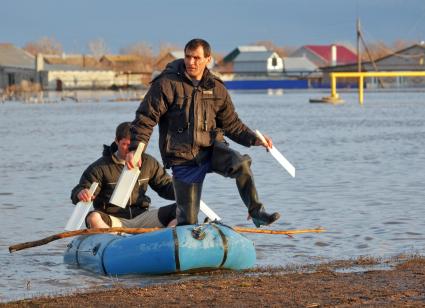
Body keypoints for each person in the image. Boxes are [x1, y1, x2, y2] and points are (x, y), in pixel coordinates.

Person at [126, 38, 280, 227]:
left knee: (241, 163)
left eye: (197, 58)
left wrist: (254, 139)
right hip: (182, 157)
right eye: (188, 57)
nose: (191, 62)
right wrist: (136, 149)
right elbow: (145, 118)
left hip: (212, 149)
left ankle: (256, 212)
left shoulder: (216, 87)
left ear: (208, 59)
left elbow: (231, 124)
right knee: (188, 221)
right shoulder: (166, 84)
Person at [71, 122, 176, 229]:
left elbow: (166, 186)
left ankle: (168, 239)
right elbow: (80, 189)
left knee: (182, 210)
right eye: (125, 144)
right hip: (113, 220)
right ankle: (115, 239)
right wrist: (80, 193)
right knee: (92, 217)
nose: (128, 149)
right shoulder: (99, 168)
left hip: (142, 217)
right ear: (116, 141)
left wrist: (186, 188)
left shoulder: (148, 162)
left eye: (132, 145)